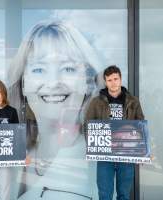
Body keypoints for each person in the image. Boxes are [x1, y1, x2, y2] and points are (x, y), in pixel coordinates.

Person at [8, 20, 103, 199]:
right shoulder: (17, 151)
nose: (53, 83)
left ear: (87, 82)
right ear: (22, 83)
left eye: (68, 68)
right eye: (38, 70)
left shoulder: (99, 161)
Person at [85, 65, 144, 200]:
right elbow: (88, 125)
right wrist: (92, 147)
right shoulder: (96, 102)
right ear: (105, 82)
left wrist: (142, 151)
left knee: (124, 194)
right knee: (105, 194)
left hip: (126, 155)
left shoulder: (133, 101)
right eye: (109, 80)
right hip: (105, 156)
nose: (113, 82)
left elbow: (140, 125)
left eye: (116, 79)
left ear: (121, 79)